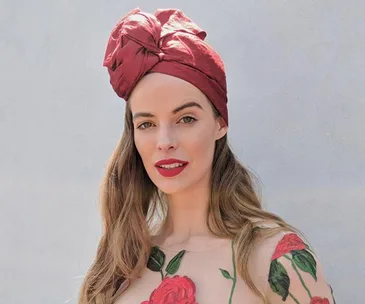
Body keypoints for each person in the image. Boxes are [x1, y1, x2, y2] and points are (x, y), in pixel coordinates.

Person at [78, 8, 336, 304]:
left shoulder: (277, 259)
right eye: (147, 124)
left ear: (220, 123)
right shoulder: (118, 268)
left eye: (185, 119)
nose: (165, 141)